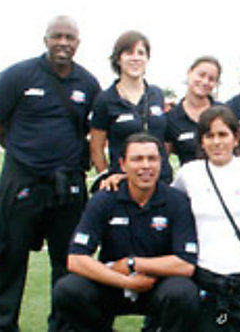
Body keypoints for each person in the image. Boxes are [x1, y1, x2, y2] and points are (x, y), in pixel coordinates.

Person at [0, 16, 101, 332]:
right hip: (21, 183)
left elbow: (95, 130)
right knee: (9, 261)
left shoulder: (88, 84)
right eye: (57, 36)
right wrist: (22, 154)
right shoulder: (17, 76)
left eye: (70, 37)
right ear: (45, 39)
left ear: (78, 43)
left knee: (68, 265)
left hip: (68, 188)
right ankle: (1, 326)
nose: (63, 42)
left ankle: (62, 327)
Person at [52, 133, 201, 331]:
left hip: (157, 284)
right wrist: (125, 280)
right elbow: (76, 259)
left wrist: (133, 264)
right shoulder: (104, 199)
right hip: (113, 281)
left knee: (184, 293)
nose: (145, 165)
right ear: (122, 164)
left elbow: (185, 264)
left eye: (152, 159)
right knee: (67, 289)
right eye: (137, 159)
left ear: (161, 163)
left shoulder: (176, 201)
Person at [172, 105, 240, 331]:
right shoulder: (188, 174)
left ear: (236, 138)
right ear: (201, 141)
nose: (217, 142)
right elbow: (164, 202)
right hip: (206, 277)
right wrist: (121, 179)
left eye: (223, 134)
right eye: (209, 135)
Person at [89, 30, 172, 190]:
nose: (135, 58)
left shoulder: (157, 94)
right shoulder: (105, 99)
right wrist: (106, 176)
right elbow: (96, 147)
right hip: (123, 183)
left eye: (141, 53)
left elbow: (165, 139)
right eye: (129, 52)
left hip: (160, 182)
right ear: (118, 59)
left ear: (147, 59)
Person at [165, 56, 222, 165]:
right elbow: (164, 158)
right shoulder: (172, 118)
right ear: (189, 73)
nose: (205, 82)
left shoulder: (224, 113)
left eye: (211, 79)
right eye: (201, 75)